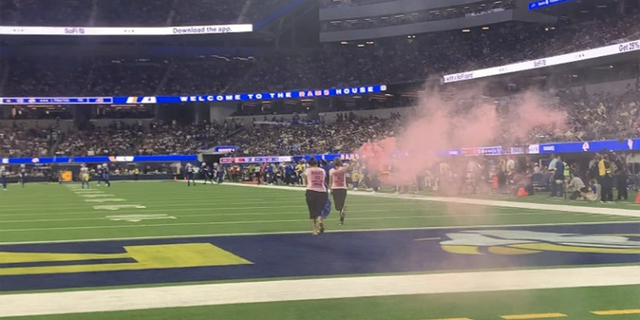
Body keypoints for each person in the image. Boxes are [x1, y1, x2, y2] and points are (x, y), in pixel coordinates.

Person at [302, 158, 328, 235]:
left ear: (309, 164)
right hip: (322, 191)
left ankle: (314, 230)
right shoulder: (322, 170)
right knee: (319, 209)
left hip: (311, 191)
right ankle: (320, 219)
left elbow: (306, 180)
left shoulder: (308, 170)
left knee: (312, 210)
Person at [329, 158, 351, 225]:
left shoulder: (332, 170)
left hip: (335, 188)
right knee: (341, 204)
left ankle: (341, 217)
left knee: (337, 206)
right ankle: (341, 220)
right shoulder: (343, 169)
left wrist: (330, 189)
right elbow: (349, 167)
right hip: (343, 188)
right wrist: (353, 161)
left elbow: (331, 180)